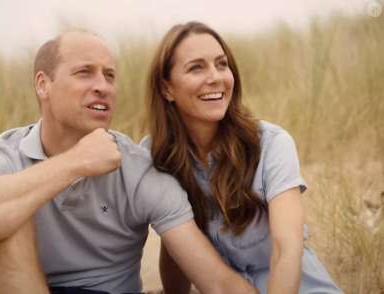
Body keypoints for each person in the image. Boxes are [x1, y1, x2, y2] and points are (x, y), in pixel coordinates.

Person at [0, 31, 257, 294]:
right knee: (1, 214)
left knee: (1, 205)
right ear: (43, 84)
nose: (103, 87)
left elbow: (216, 281)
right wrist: (74, 163)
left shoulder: (139, 170)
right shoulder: (0, 155)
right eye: (85, 73)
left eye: (110, 76)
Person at [143, 21, 342, 294]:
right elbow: (174, 247)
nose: (215, 77)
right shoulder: (155, 156)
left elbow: (287, 249)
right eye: (196, 67)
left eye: (221, 64)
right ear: (166, 88)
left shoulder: (271, 143)